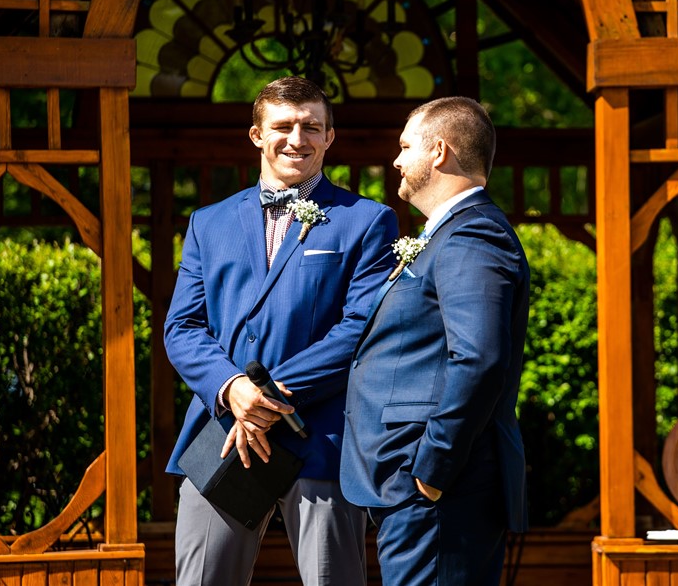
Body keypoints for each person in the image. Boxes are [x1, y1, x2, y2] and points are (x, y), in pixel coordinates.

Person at [164, 76, 398, 586]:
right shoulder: (209, 222)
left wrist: (265, 400)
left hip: (320, 437)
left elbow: (359, 329)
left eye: (311, 127)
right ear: (256, 134)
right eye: (283, 126)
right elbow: (182, 327)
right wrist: (232, 389)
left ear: (329, 136)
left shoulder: (367, 221)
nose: (297, 139)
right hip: (224, 434)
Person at [340, 96, 530, 585]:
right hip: (418, 491)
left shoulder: (473, 235)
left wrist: (432, 470)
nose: (396, 160)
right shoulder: (448, 235)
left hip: (440, 493)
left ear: (439, 152)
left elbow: (479, 358)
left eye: (406, 147)